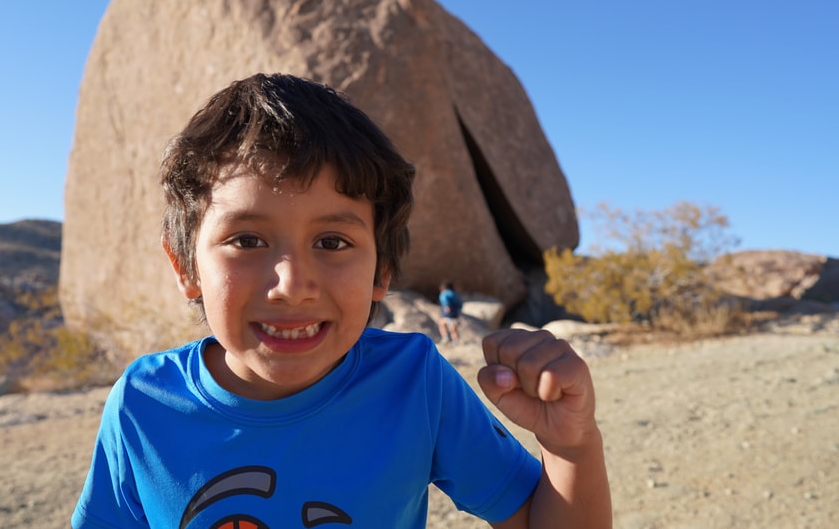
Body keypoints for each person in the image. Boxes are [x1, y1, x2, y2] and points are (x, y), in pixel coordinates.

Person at [72, 73, 611, 528]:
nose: (292, 283)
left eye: (332, 242)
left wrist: (572, 447)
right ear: (185, 266)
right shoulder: (144, 404)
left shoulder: (413, 384)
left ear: (384, 271)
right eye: (247, 240)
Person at [438, 280, 464, 344]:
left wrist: (447, 307)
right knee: (453, 330)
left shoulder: (444, 294)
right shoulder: (455, 294)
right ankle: (456, 342)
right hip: (456, 314)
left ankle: (445, 338)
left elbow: (445, 301)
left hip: (448, 313)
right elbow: (460, 304)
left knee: (441, 324)